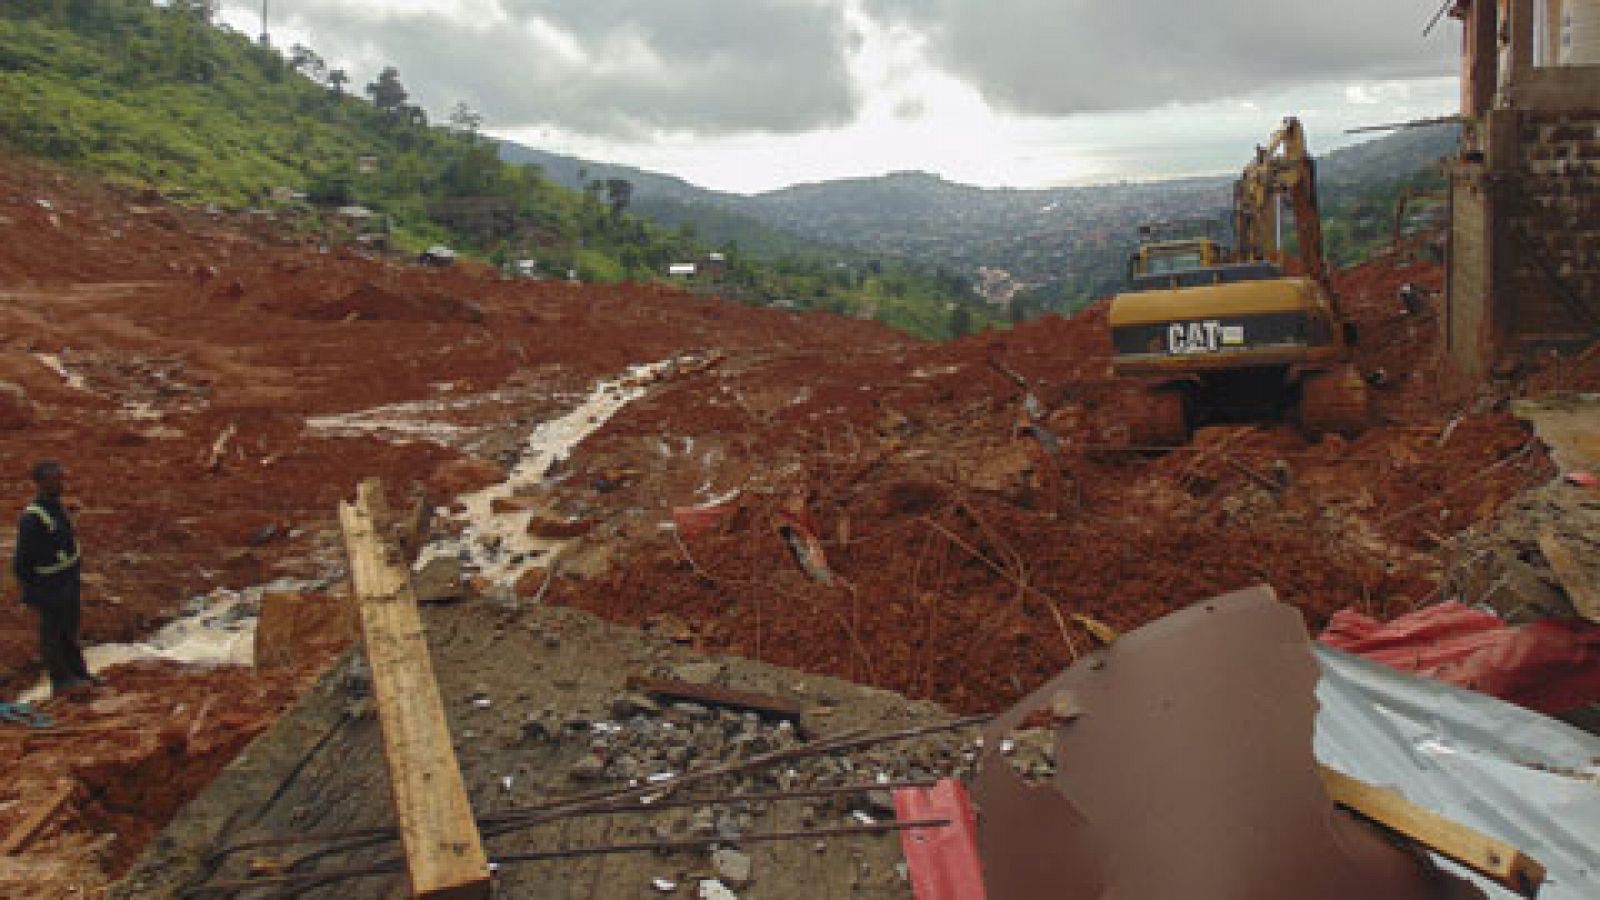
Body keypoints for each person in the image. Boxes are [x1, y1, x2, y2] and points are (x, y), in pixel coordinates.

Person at [11, 460, 94, 699]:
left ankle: (80, 675)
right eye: (54, 479)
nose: (60, 483)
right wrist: (35, 593)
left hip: (67, 582)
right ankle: (62, 682)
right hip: (49, 587)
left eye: (61, 478)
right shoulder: (32, 518)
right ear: (40, 483)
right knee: (53, 635)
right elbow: (21, 563)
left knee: (69, 631)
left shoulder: (55, 507)